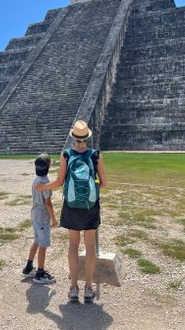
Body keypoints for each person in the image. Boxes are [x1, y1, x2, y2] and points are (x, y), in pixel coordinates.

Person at [36, 120, 107, 302]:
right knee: (90, 246)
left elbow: (59, 182)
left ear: (74, 137)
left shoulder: (66, 154)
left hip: (72, 206)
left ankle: (74, 288)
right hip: (90, 207)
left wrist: (42, 188)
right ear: (87, 137)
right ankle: (89, 288)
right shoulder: (95, 155)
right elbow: (104, 184)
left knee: (73, 246)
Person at [22, 153, 57, 284]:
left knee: (37, 240)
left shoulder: (36, 178)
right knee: (43, 244)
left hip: (35, 212)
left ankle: (28, 267)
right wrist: (53, 218)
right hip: (42, 214)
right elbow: (48, 202)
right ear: (47, 167)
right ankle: (40, 273)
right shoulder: (45, 181)